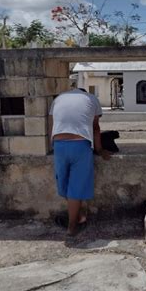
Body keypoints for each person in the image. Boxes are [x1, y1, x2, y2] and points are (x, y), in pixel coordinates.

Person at [49, 87, 111, 236]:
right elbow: (95, 128)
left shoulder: (58, 99)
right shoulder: (91, 99)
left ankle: (78, 216)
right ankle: (73, 226)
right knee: (76, 187)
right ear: (84, 92)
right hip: (80, 145)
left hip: (59, 145)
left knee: (63, 184)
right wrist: (100, 149)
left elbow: (53, 125)